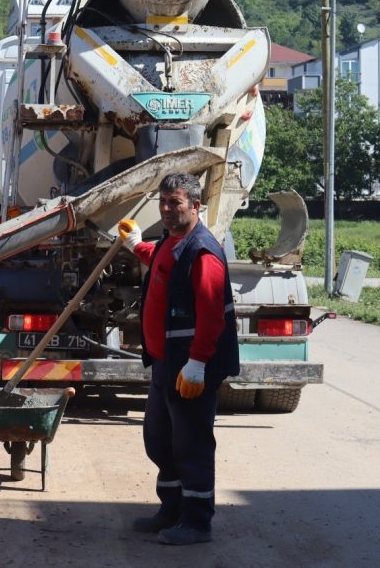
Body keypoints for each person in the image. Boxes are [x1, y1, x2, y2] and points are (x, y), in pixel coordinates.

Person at [117, 172, 239, 546]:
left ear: (196, 206)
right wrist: (136, 244)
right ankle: (171, 510)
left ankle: (197, 522)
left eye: (176, 203)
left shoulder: (203, 252)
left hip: (190, 367)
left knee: (192, 444)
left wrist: (198, 363)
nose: (167, 210)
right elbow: (162, 260)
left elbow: (212, 314)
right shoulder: (173, 244)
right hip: (166, 364)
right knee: (160, 440)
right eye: (163, 202)